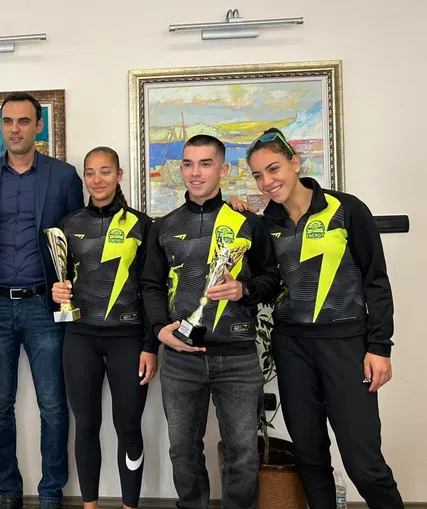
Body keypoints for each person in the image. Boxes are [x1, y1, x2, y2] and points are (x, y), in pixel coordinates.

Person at [245, 128, 404, 509]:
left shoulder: (346, 209)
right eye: (258, 176)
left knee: (364, 463)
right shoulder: (266, 224)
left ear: (295, 162)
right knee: (310, 457)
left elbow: (375, 281)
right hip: (292, 347)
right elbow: (266, 284)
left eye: (273, 169)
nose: (267, 182)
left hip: (346, 345)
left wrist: (380, 346)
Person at [140, 134, 280, 509]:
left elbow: (271, 280)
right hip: (181, 358)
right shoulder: (163, 226)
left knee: (243, 453)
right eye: (188, 164)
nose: (195, 172)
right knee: (182, 451)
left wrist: (243, 290)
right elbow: (150, 285)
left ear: (223, 169)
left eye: (205, 163)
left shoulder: (248, 223)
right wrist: (159, 330)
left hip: (237, 357)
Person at [0, 92, 84, 509]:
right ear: (1, 126)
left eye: (23, 121)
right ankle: (9, 490)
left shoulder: (64, 176)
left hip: (44, 307)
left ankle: (51, 492)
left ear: (39, 125)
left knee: (53, 406)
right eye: (7, 121)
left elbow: (78, 238)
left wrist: (68, 289)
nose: (14, 129)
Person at [50, 147, 157, 509]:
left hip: (129, 339)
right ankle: (90, 506)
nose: (97, 180)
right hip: (80, 337)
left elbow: (151, 288)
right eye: (90, 173)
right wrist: (57, 292)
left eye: (105, 171)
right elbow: (61, 282)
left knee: (128, 427)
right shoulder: (68, 225)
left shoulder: (142, 225)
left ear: (119, 174)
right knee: (86, 426)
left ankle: (130, 506)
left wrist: (150, 345)